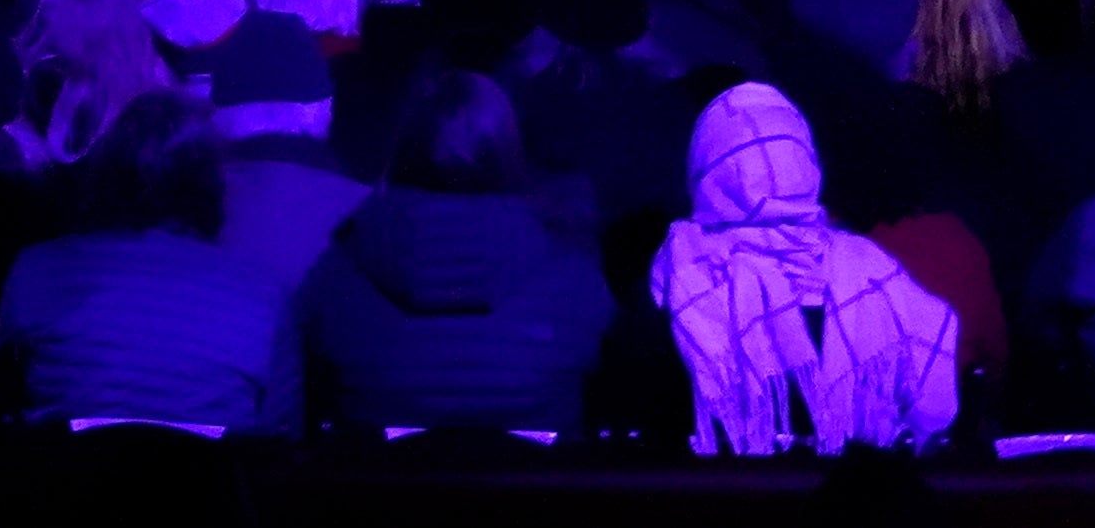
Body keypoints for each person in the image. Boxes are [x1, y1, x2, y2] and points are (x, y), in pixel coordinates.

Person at [297, 65, 616, 433]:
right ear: (509, 151)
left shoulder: (340, 269)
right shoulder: (572, 272)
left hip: (383, 484)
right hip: (529, 483)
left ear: (403, 148)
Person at [657, 79, 962, 455]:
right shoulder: (868, 266)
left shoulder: (680, 268)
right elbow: (933, 409)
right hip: (850, 493)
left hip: (721, 496)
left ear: (707, 162)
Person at [0, 91, 296, 430]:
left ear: (104, 175)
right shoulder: (263, 294)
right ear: (213, 185)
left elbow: (2, 403)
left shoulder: (38, 267)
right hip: (208, 480)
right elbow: (281, 440)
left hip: (69, 479)